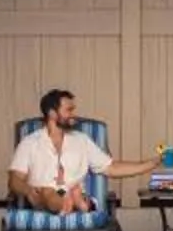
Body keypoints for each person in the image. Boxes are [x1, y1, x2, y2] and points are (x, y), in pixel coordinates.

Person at [8, 88, 109, 216]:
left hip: (73, 192)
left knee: (72, 192)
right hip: (42, 198)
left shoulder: (81, 140)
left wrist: (143, 166)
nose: (73, 114)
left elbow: (111, 167)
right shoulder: (30, 142)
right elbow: (14, 180)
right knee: (47, 191)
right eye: (69, 110)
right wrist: (28, 191)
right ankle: (68, 204)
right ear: (52, 113)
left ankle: (70, 204)